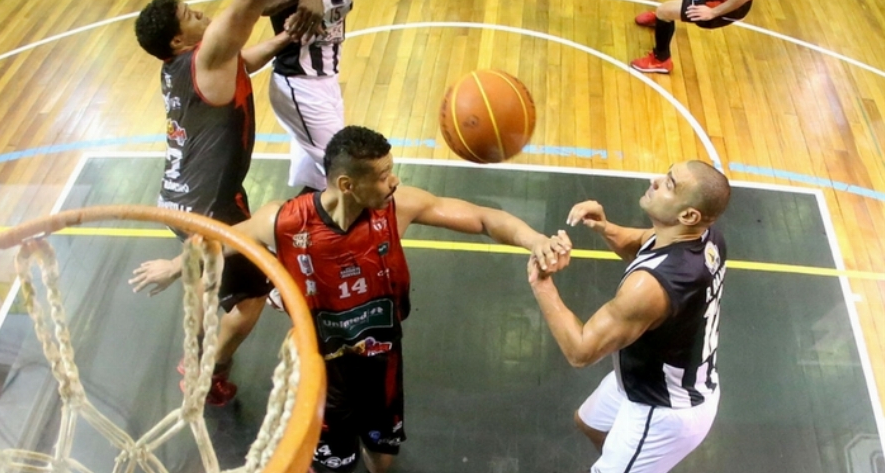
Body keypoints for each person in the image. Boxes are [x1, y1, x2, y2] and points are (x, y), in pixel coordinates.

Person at [133, 126, 572, 472]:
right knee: (332, 463)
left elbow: (482, 217)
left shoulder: (397, 207)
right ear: (347, 184)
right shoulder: (284, 221)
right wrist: (174, 266)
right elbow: (223, 240)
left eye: (391, 170)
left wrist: (534, 239)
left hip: (381, 359)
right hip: (323, 370)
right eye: (382, 176)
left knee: (382, 457)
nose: (393, 181)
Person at [131, 0, 333, 406]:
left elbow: (243, 61)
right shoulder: (206, 53)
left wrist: (285, 38)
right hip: (208, 209)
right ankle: (204, 373)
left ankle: (204, 290)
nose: (202, 15)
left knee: (227, 273)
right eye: (192, 15)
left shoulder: (184, 67)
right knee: (249, 302)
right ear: (179, 41)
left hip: (183, 195)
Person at [527, 161, 731, 473]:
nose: (655, 180)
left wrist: (542, 285)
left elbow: (580, 351)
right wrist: (604, 227)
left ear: (688, 216)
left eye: (669, 184)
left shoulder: (649, 287)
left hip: (662, 409)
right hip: (648, 379)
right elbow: (642, 244)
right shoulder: (706, 238)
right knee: (589, 423)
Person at [262, 0, 420, 192]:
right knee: (348, 170)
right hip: (298, 83)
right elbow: (259, 1)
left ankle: (297, 220)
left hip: (328, 78)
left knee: (318, 182)